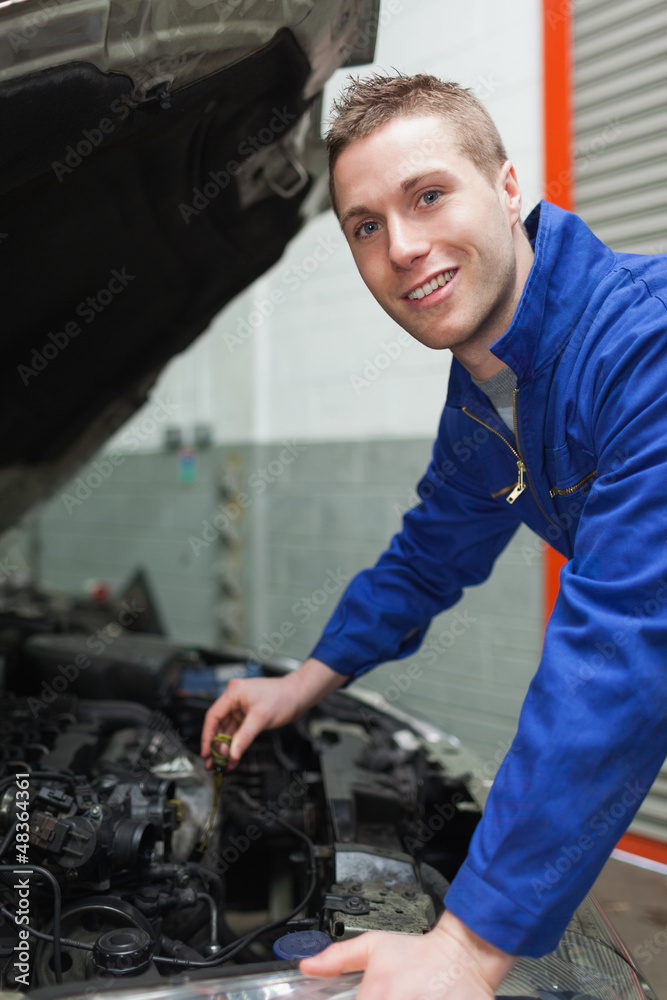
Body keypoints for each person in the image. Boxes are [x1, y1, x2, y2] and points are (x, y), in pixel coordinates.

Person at [201, 73, 667, 998]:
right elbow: (426, 556)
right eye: (365, 226)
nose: (403, 248)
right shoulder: (487, 394)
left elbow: (621, 650)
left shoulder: (641, 348)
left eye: (427, 195)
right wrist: (305, 680)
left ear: (505, 188)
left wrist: (467, 947)